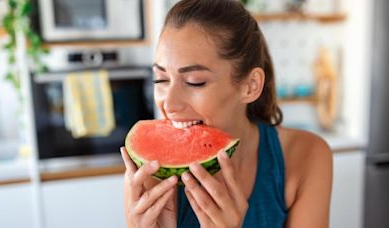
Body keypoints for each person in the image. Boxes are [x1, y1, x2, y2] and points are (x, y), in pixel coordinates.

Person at [120, 0, 333, 227]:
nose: (169, 104)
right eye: (160, 79)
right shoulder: (150, 175)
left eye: (195, 82)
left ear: (250, 86)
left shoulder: (304, 156)